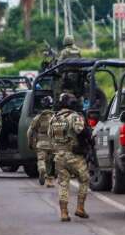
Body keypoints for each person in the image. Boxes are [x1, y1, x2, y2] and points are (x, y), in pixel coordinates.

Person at [48, 93, 89, 222]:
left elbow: (50, 135)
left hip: (59, 156)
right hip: (74, 156)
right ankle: (80, 208)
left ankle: (64, 213)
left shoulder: (53, 118)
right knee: (84, 179)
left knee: (63, 184)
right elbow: (80, 131)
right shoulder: (74, 116)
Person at [26, 95, 56, 187]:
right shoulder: (56, 117)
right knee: (51, 162)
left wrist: (30, 143)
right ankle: (50, 181)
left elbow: (30, 131)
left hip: (41, 143)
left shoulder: (38, 117)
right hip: (53, 143)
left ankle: (42, 169)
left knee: (41, 159)